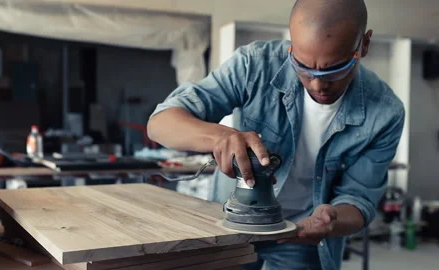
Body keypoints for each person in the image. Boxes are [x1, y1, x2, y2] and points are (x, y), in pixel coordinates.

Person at [147, 0, 405, 269]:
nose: (317, 84)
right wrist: (219, 136)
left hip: (301, 237)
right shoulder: (254, 65)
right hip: (231, 227)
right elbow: (160, 122)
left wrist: (332, 220)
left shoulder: (385, 112)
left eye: (334, 69)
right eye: (303, 66)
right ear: (292, 42)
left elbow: (359, 200)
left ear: (363, 45)